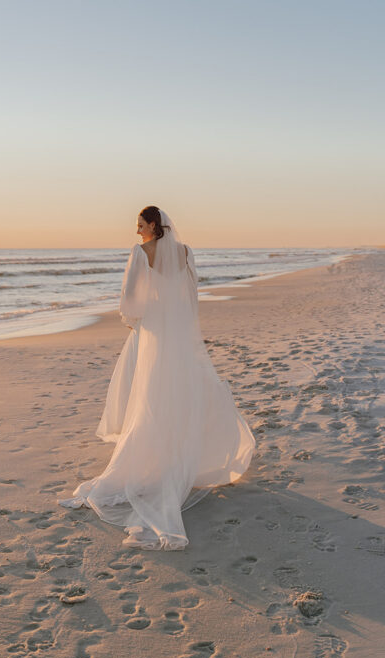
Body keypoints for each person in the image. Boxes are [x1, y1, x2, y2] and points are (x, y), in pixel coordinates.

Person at [59, 206, 255, 549]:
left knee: (151, 397)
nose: (136, 231)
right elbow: (191, 296)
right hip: (180, 334)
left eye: (139, 225)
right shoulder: (185, 252)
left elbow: (130, 299)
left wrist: (135, 321)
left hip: (154, 334)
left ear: (153, 225)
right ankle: (177, 462)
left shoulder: (141, 252)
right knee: (179, 393)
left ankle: (154, 466)